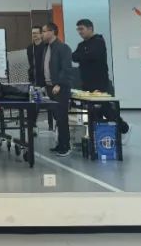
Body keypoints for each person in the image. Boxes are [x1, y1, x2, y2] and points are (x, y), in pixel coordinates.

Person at [73, 19, 130, 135]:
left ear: (90, 28)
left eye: (82, 29)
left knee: (105, 108)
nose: (79, 32)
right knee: (93, 111)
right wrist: (84, 54)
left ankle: (124, 128)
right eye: (78, 29)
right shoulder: (81, 45)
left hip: (99, 82)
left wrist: (83, 55)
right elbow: (74, 57)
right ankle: (98, 134)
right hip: (86, 83)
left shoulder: (98, 41)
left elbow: (92, 56)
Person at [42, 23, 74, 157]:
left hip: (60, 87)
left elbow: (66, 68)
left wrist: (59, 84)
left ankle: (66, 146)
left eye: (44, 31)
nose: (42, 34)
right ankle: (60, 144)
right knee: (57, 117)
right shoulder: (47, 48)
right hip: (50, 87)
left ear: (52, 32)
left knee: (62, 117)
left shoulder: (63, 48)